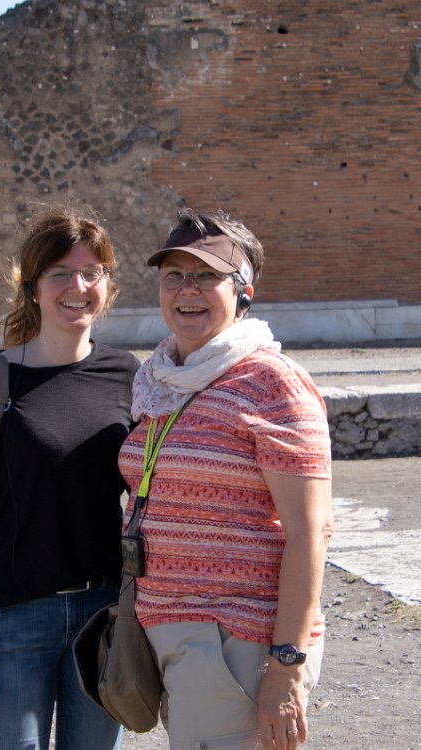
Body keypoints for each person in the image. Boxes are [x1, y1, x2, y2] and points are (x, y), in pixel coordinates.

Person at [119, 208, 335, 750]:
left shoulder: (273, 383)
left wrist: (285, 666)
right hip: (172, 632)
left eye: (207, 275)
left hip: (235, 638)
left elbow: (311, 532)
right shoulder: (159, 380)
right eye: (174, 275)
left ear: (244, 293)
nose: (187, 289)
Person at [0, 206, 139, 750]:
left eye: (91, 272)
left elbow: (150, 502)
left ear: (108, 284)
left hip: (104, 618)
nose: (78, 286)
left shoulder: (129, 375)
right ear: (32, 287)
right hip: (12, 622)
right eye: (60, 273)